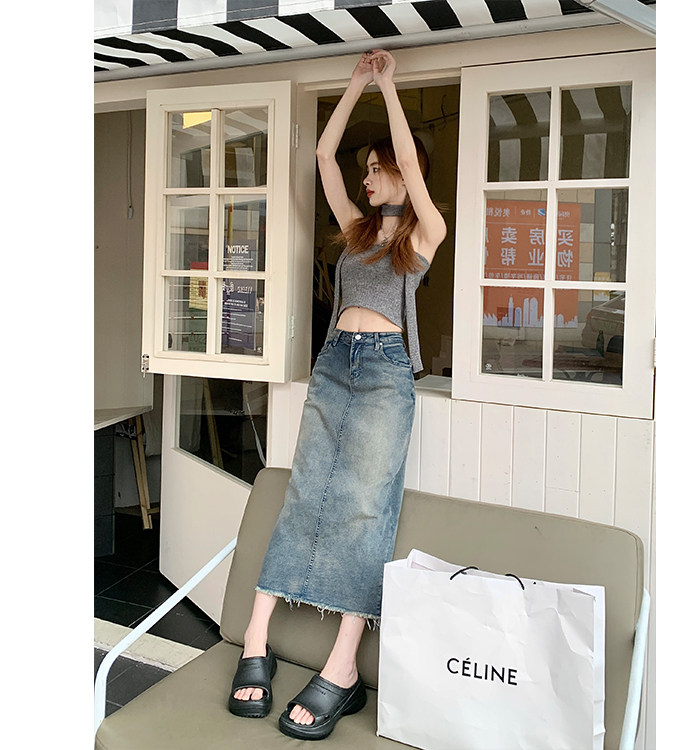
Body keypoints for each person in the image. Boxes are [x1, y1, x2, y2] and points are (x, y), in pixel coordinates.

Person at [227, 48, 446, 741]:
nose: (368, 176)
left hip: (384, 373)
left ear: (404, 174)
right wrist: (353, 86)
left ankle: (343, 665)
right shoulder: (355, 231)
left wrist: (388, 86)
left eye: (377, 168)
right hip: (333, 365)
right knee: (306, 494)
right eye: (368, 170)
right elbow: (323, 156)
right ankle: (256, 637)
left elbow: (408, 162)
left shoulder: (427, 233)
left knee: (363, 509)